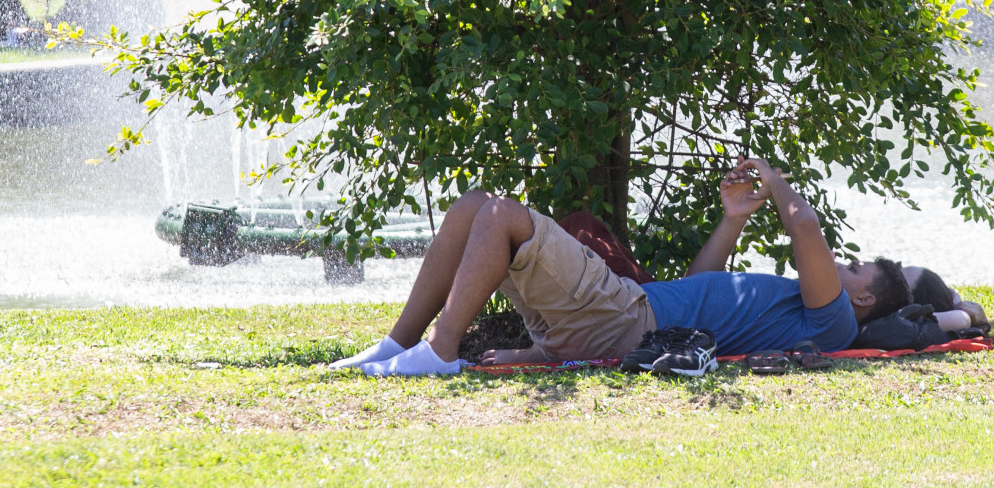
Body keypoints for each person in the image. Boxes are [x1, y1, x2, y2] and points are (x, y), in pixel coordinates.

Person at [337, 158, 910, 377]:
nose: (843, 267)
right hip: (621, 316)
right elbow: (696, 285)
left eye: (855, 269)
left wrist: (776, 179)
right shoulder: (798, 310)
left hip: (623, 313)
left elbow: (804, 227)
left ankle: (439, 353)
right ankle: (396, 344)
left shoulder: (832, 321)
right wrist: (733, 218)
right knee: (473, 207)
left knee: (499, 216)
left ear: (863, 299)